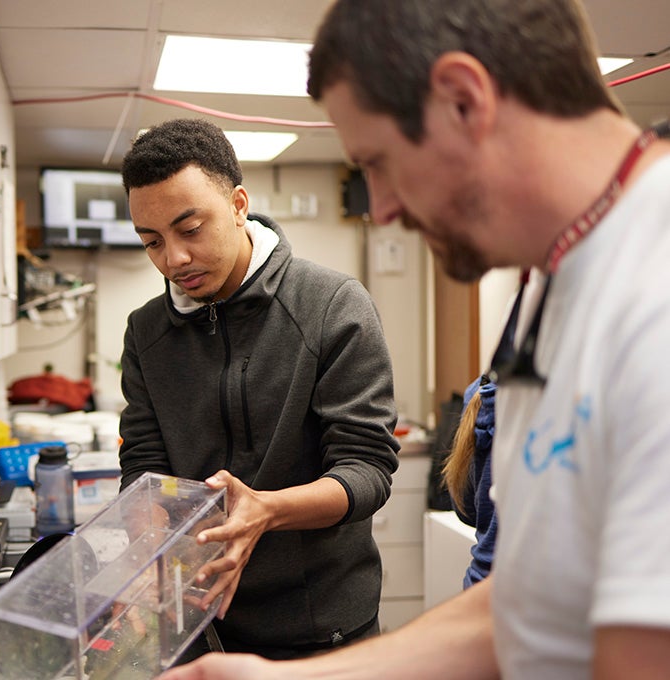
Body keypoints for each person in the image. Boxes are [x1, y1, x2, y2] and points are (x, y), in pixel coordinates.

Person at [160, 0, 670, 677]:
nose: (386, 207)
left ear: (464, 100)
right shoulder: (553, 284)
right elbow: (529, 601)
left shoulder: (653, 290)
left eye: (377, 163)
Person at [118, 118, 401, 660]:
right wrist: (146, 544)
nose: (173, 259)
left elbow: (366, 471)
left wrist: (266, 509)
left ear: (239, 204)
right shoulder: (146, 332)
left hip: (321, 631)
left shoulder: (331, 306)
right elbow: (146, 468)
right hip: (200, 627)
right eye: (151, 242)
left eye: (190, 228)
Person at [442, 374, 497, 588]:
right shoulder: (567, 400)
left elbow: (468, 509)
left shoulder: (479, 389)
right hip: (524, 602)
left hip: (478, 584)